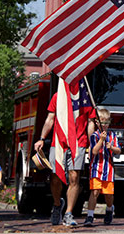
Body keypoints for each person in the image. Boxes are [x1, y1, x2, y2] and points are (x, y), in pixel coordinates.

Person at [34, 91, 95, 226]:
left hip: (79, 142)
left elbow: (91, 122)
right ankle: (57, 205)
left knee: (74, 177)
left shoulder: (86, 96)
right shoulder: (58, 96)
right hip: (59, 142)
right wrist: (42, 139)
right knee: (55, 177)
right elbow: (50, 118)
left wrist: (92, 144)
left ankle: (68, 213)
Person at [84, 109, 121, 226]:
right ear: (97, 123)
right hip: (96, 168)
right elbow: (94, 151)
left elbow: (119, 150)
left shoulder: (113, 135)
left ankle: (109, 209)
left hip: (108, 169)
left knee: (108, 194)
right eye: (102, 123)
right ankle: (90, 215)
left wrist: (111, 147)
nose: (104, 125)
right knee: (94, 192)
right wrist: (101, 140)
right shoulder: (94, 136)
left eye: (107, 122)